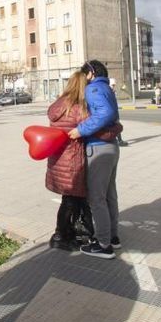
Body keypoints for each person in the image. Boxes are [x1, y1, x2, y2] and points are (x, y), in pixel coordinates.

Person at [46, 72, 121, 251]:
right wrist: (117, 127)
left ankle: (70, 233)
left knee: (70, 199)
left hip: (59, 159)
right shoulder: (78, 109)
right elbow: (98, 130)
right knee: (73, 199)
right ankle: (61, 236)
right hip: (73, 160)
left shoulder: (58, 104)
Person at [69, 60, 122, 259]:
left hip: (98, 149)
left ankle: (103, 244)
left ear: (91, 72)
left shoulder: (93, 89)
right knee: (110, 195)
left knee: (96, 199)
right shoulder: (107, 88)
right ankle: (113, 237)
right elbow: (113, 114)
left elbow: (106, 113)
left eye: (85, 74)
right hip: (111, 147)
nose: (84, 78)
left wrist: (80, 129)